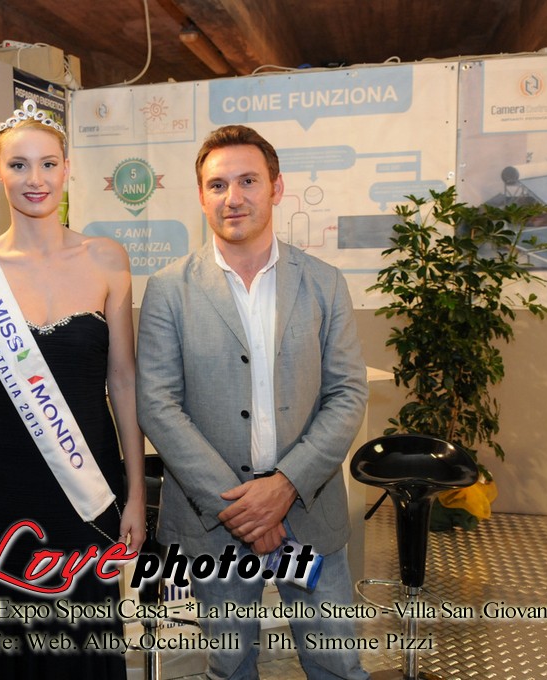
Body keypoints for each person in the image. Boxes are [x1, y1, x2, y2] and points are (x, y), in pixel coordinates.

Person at [136, 125, 370, 680]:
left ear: (276, 188)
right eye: (217, 185)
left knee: (337, 664)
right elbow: (158, 404)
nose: (233, 197)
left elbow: (346, 393)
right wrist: (242, 509)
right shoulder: (169, 289)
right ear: (201, 196)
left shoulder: (324, 284)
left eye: (248, 181)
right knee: (230, 665)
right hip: (216, 523)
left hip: (307, 513)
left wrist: (284, 487)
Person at [0, 100, 145, 678]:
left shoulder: (108, 259)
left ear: (67, 169)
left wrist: (135, 492)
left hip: (89, 489)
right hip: (2, 494)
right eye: (19, 165)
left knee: (88, 645)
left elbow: (123, 382)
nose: (35, 179)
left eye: (48, 164)